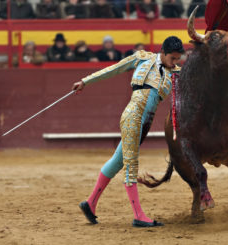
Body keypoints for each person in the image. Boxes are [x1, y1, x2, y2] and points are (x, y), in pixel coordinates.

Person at [73, 36, 184, 227]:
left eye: (177, 59)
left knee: (117, 161)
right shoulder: (143, 58)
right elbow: (114, 69)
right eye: (172, 58)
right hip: (133, 116)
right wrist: (85, 81)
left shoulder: (176, 72)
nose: (175, 63)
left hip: (145, 123)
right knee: (131, 165)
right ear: (163, 52)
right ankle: (138, 215)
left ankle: (90, 203)